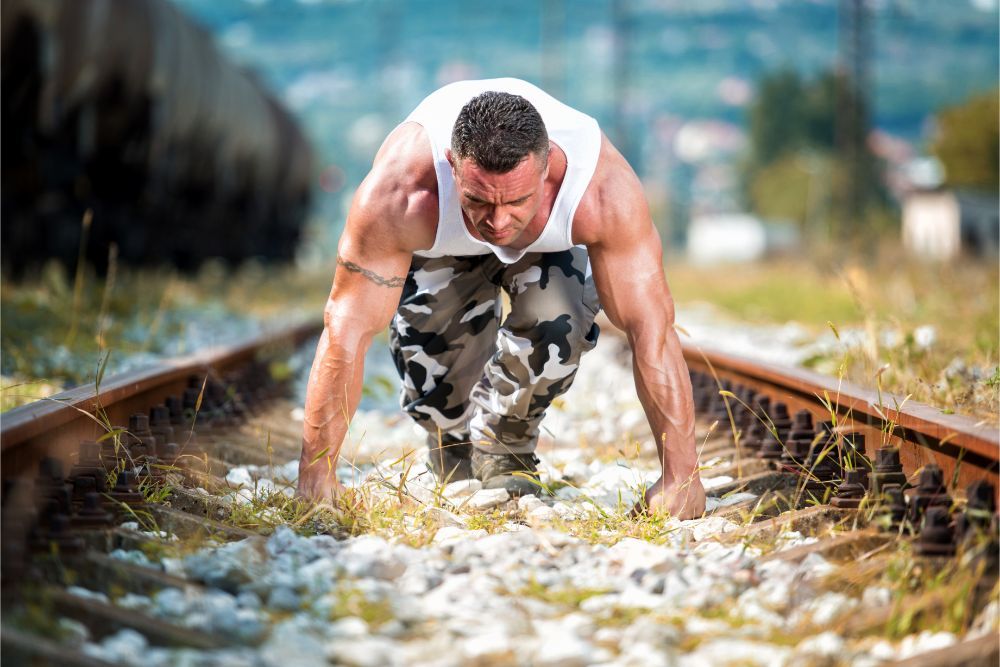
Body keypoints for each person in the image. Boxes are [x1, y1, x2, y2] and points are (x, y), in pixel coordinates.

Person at [296, 78, 705, 519]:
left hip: (544, 250)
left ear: (547, 169)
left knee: (559, 319)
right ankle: (450, 440)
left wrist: (682, 478)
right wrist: (316, 476)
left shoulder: (601, 191)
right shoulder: (400, 195)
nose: (497, 221)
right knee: (432, 352)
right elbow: (345, 332)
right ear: (451, 165)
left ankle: (505, 444)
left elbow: (653, 333)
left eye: (516, 200)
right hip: (439, 249)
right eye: (478, 201)